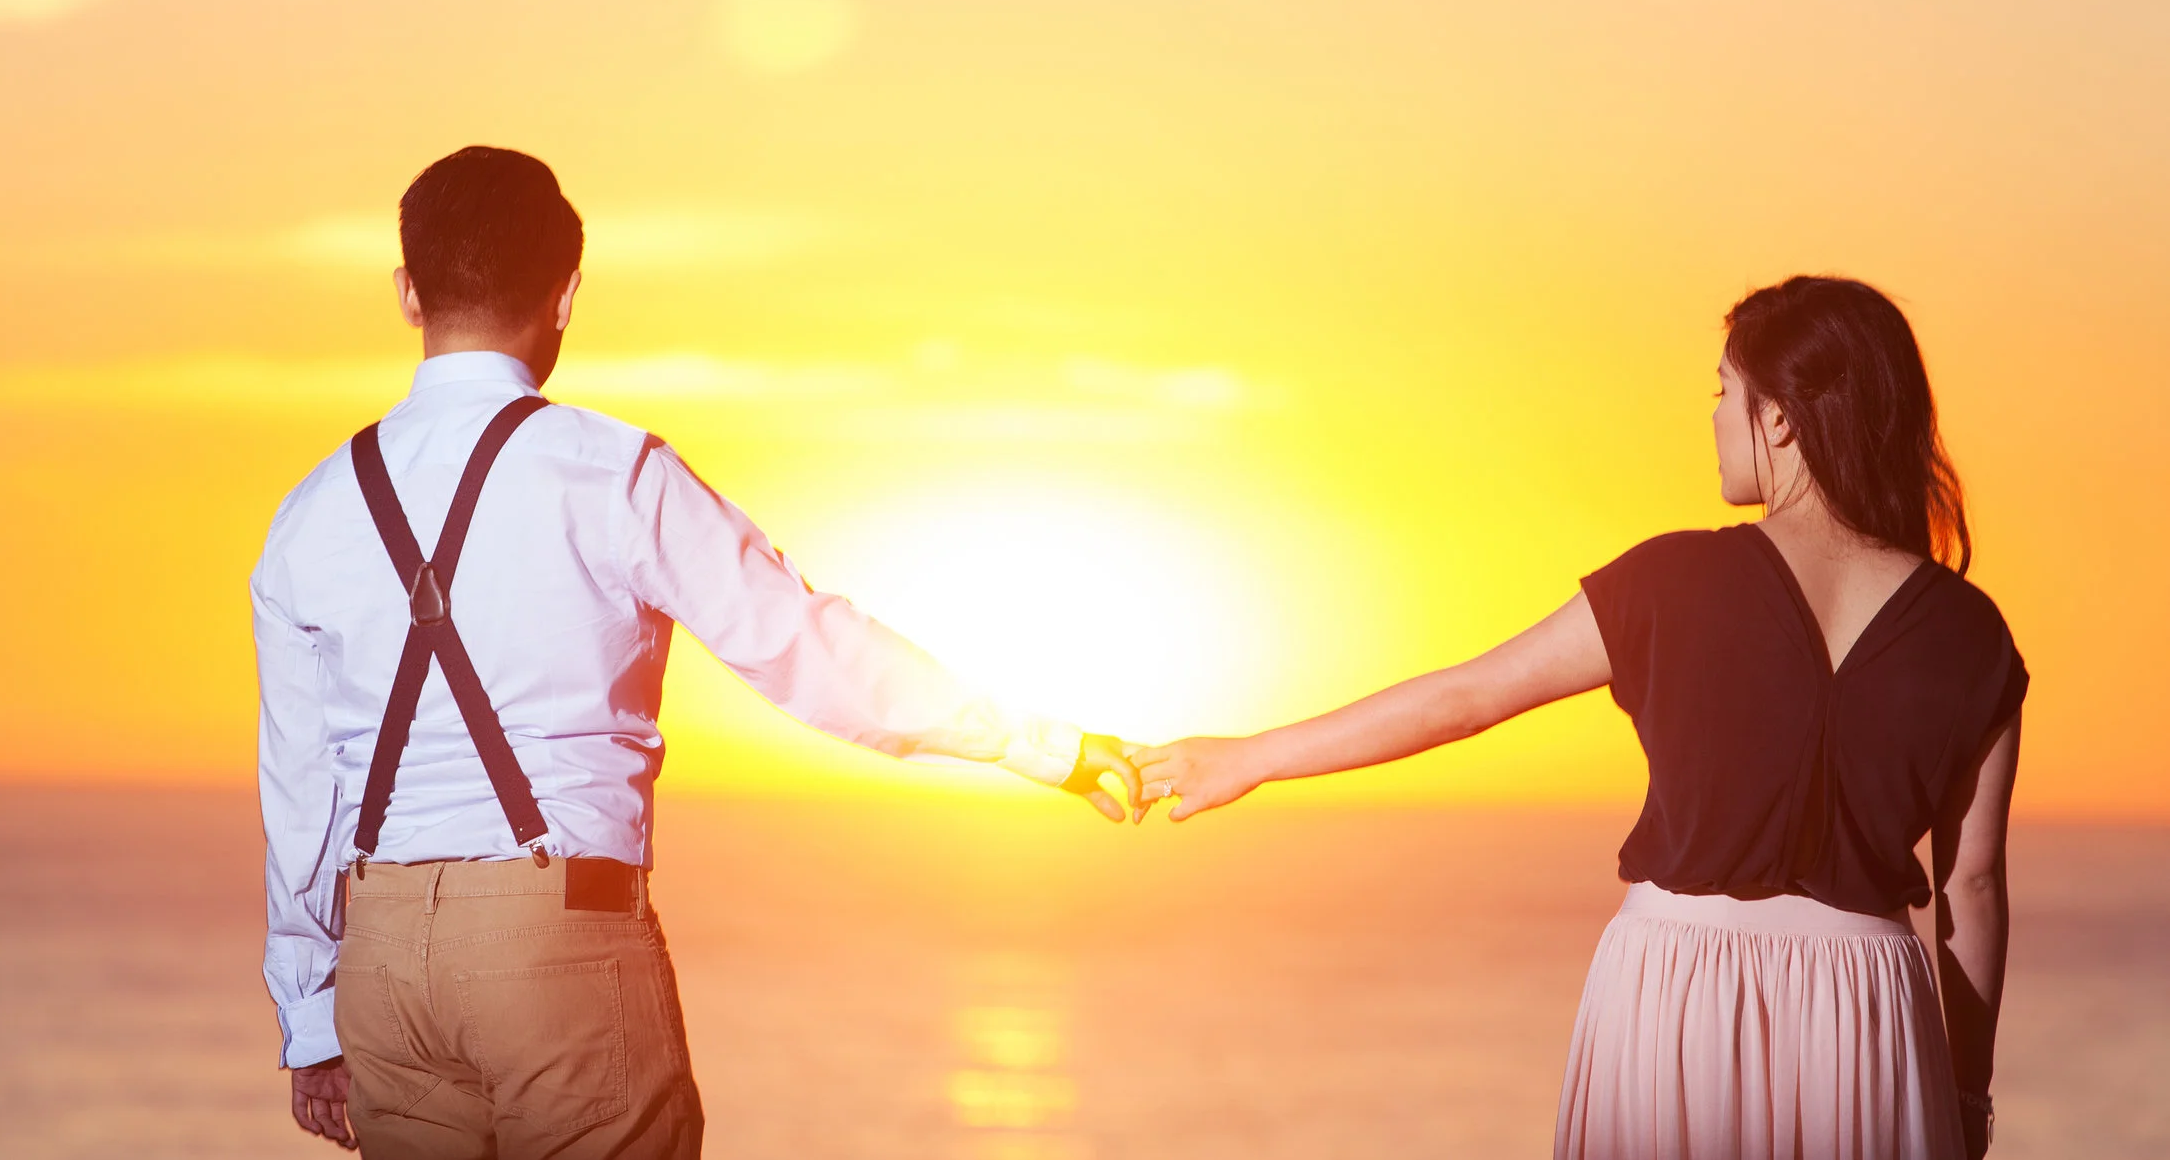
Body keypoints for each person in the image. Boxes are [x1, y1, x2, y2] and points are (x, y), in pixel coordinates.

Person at [252, 146, 1140, 1159]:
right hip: (554, 942)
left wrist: (313, 1014)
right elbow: (806, 649)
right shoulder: (611, 469)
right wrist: (1042, 746)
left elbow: (299, 786)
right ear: (567, 291)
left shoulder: (310, 510)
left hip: (382, 961)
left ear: (409, 292)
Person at [1131, 276, 2024, 1160]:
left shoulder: (1669, 582)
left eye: (1724, 388)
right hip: (1866, 1013)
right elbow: (1971, 889)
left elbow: (1463, 699)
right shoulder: (1972, 633)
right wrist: (1965, 1093)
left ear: (1782, 417)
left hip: (1678, 987)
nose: (1714, 415)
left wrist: (1245, 758)